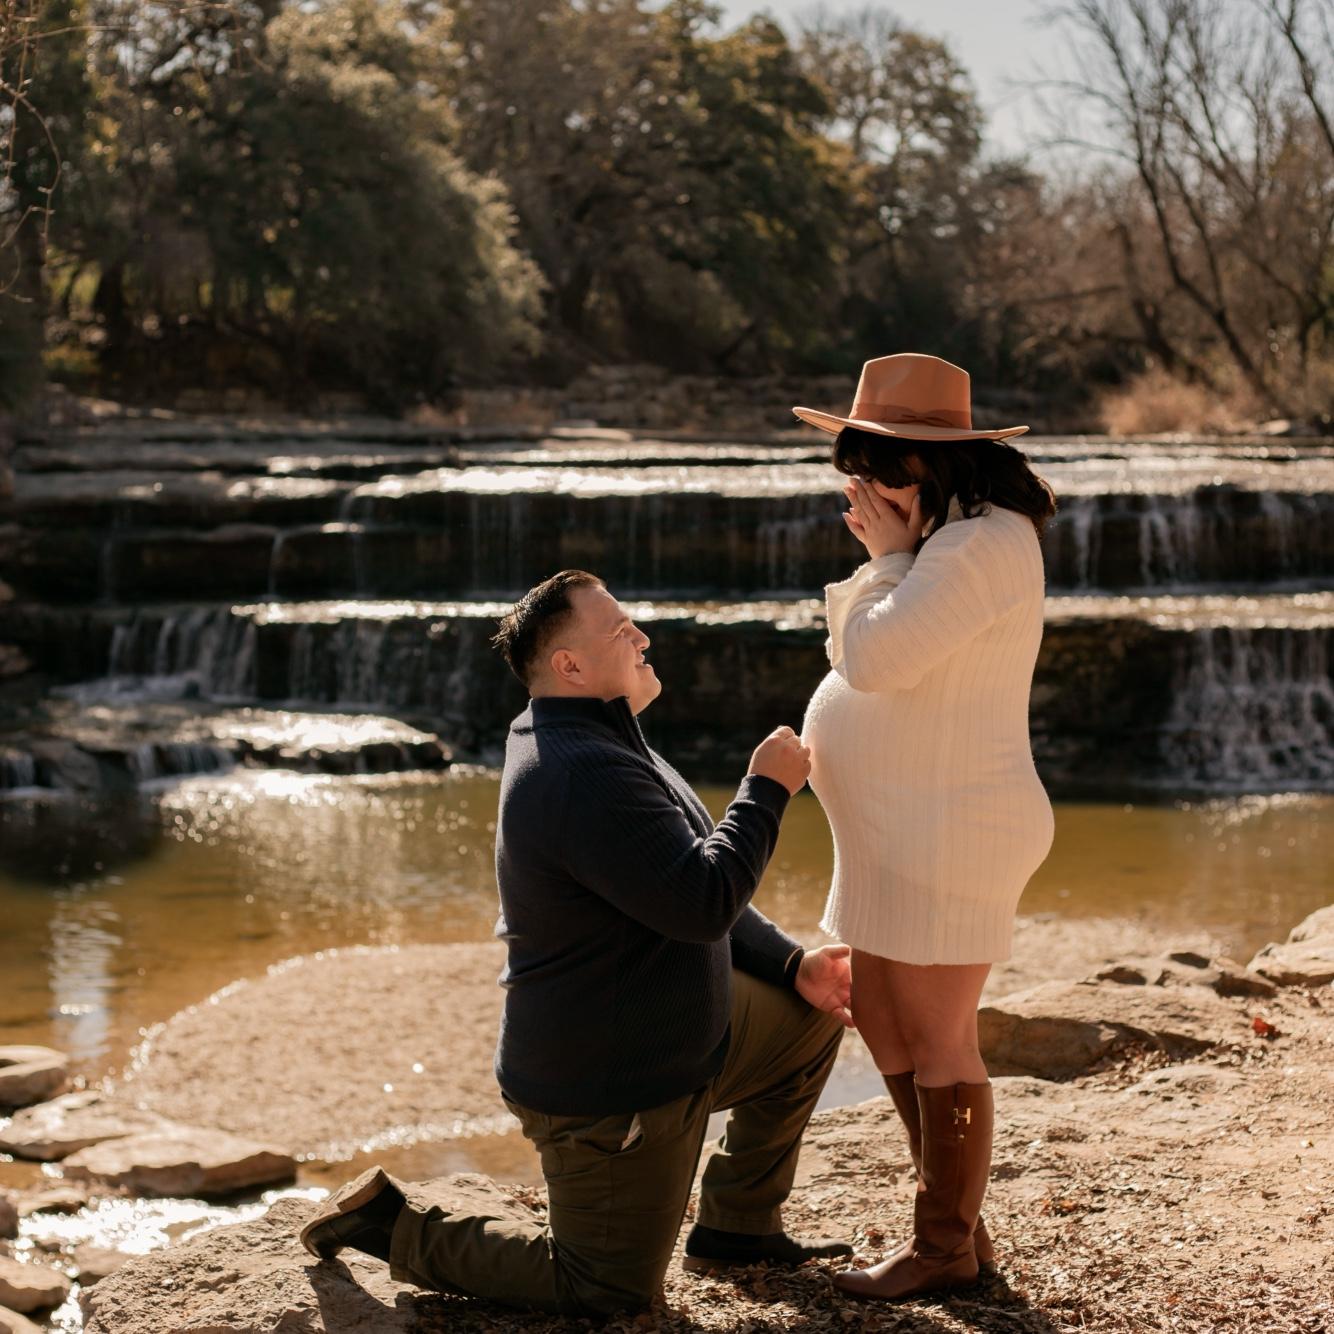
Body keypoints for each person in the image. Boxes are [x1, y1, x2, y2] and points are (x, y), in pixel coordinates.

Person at [300, 569, 856, 1315]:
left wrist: (792, 963)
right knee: (605, 1289)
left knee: (808, 1016)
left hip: (680, 1038)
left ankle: (738, 1226)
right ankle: (391, 1224)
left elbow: (678, 876)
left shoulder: (591, 736)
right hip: (611, 1085)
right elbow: (702, 901)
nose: (643, 639)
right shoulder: (580, 770)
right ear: (570, 666)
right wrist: (765, 791)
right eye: (622, 631)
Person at [793, 353, 1057, 1300]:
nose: (860, 492)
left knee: (941, 1037)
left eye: (874, 469)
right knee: (883, 1016)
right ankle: (959, 1231)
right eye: (851, 470)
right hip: (899, 826)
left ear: (929, 463)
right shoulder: (951, 536)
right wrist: (898, 554)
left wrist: (885, 561)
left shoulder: (977, 546)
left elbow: (874, 660)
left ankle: (942, 1246)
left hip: (953, 826)